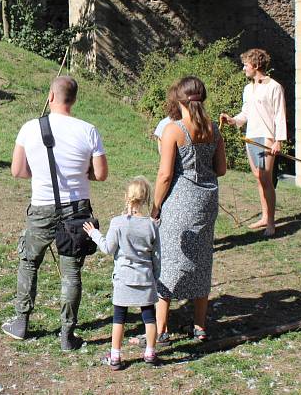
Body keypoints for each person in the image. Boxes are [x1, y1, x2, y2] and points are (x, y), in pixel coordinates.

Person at [1, 75, 108, 351]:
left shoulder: (29, 128)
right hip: (77, 210)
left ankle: (21, 322)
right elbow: (101, 174)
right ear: (74, 99)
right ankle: (67, 335)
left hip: (42, 207)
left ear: (50, 96)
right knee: (71, 273)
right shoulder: (88, 130)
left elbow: (17, 171)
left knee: (28, 263)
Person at [151, 76, 226, 345]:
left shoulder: (174, 130)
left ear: (178, 100)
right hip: (207, 202)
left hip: (180, 201)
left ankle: (161, 329)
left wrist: (156, 206)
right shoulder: (213, 130)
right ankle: (199, 325)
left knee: (169, 259)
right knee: (202, 258)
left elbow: (164, 175)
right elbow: (221, 169)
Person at [83, 176, 161, 369]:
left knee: (119, 318)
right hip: (145, 279)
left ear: (126, 196)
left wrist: (94, 234)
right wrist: (155, 277)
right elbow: (157, 256)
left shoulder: (118, 222)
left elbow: (108, 249)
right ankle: (150, 352)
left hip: (124, 279)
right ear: (146, 199)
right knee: (149, 317)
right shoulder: (152, 224)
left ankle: (116, 355)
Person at [219, 48, 287, 236]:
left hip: (267, 138)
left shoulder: (274, 87)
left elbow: (280, 116)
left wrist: (278, 141)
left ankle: (271, 223)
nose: (243, 69)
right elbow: (246, 114)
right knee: (259, 178)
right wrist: (232, 120)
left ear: (256, 65)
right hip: (251, 137)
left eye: (245, 65)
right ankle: (265, 217)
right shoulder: (248, 89)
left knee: (266, 179)